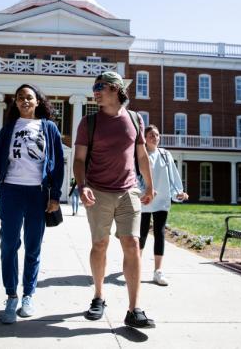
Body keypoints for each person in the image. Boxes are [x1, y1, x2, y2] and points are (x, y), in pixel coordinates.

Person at [0, 84, 64, 324]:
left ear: (37, 102)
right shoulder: (8, 129)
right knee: (9, 245)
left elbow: (57, 165)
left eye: (29, 97)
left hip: (38, 194)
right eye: (20, 97)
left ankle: (28, 296)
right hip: (11, 192)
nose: (25, 101)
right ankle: (11, 295)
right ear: (16, 102)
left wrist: (55, 195)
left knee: (33, 247)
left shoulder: (49, 128)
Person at [73, 71, 156, 329]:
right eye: (94, 87)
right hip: (98, 191)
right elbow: (78, 159)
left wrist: (149, 185)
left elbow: (141, 156)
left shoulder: (135, 119)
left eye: (101, 86)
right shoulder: (88, 122)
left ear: (116, 90)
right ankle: (99, 296)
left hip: (128, 191)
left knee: (132, 243)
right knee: (100, 244)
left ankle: (134, 309)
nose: (96, 91)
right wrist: (82, 185)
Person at [140, 124, 188, 286]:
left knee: (160, 233)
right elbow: (135, 176)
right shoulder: (140, 154)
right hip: (144, 200)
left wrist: (179, 193)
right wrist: (142, 193)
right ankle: (135, 267)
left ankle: (157, 271)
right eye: (151, 135)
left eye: (157, 134)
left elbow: (173, 177)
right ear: (145, 138)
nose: (155, 137)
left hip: (162, 200)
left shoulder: (165, 154)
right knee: (142, 234)